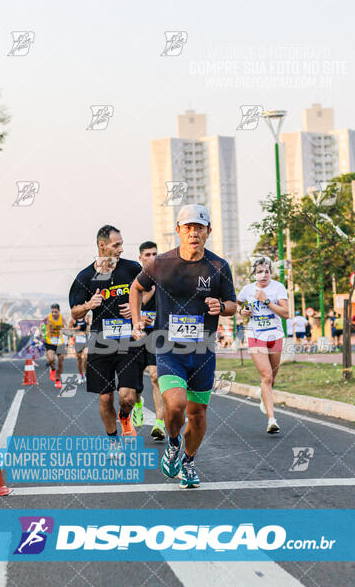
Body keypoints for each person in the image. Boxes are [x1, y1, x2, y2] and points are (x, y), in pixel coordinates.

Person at [130, 204, 236, 488]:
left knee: (198, 414)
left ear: (208, 232)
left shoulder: (218, 266)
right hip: (168, 350)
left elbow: (233, 305)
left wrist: (221, 305)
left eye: (199, 228)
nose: (194, 233)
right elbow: (135, 288)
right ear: (178, 231)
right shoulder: (161, 263)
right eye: (188, 227)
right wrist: (136, 321)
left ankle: (188, 462)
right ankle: (173, 444)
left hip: (202, 353)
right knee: (174, 405)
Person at [69, 225, 143, 437]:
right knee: (105, 398)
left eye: (121, 244)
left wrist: (137, 305)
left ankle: (125, 416)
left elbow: (152, 290)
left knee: (128, 397)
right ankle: (112, 439)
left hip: (129, 342)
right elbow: (75, 313)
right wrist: (87, 305)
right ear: (102, 246)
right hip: (101, 343)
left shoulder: (131, 269)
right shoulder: (85, 276)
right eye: (116, 245)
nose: (121, 249)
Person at [237, 256, 289, 434]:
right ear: (254, 274)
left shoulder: (278, 288)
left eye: (267, 271)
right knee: (266, 375)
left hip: (275, 335)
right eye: (260, 271)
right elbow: (237, 304)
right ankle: (272, 420)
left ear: (270, 272)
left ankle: (262, 393)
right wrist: (241, 311)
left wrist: (267, 301)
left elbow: (286, 313)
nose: (264, 274)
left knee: (272, 379)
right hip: (255, 336)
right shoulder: (247, 290)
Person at [132, 241, 166, 441]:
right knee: (134, 383)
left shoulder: (164, 278)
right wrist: (138, 317)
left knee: (155, 376)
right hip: (136, 333)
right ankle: (138, 403)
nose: (152, 257)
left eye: (155, 254)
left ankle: (159, 424)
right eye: (147, 254)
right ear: (140, 258)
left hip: (157, 334)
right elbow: (129, 306)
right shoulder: (134, 279)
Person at [43, 304, 68, 388]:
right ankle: (52, 368)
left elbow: (66, 328)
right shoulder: (47, 317)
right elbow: (41, 324)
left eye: (55, 312)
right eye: (52, 311)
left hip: (60, 342)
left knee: (60, 361)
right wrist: (42, 331)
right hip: (50, 342)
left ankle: (57, 380)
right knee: (51, 359)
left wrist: (64, 330)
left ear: (59, 311)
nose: (54, 313)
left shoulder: (62, 318)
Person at [68, 313, 91, 379]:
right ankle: (81, 374)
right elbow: (68, 329)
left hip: (85, 339)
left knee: (86, 357)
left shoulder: (86, 318)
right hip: (78, 341)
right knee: (79, 359)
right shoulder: (73, 320)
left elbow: (88, 326)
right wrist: (75, 328)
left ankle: (86, 373)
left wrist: (88, 324)